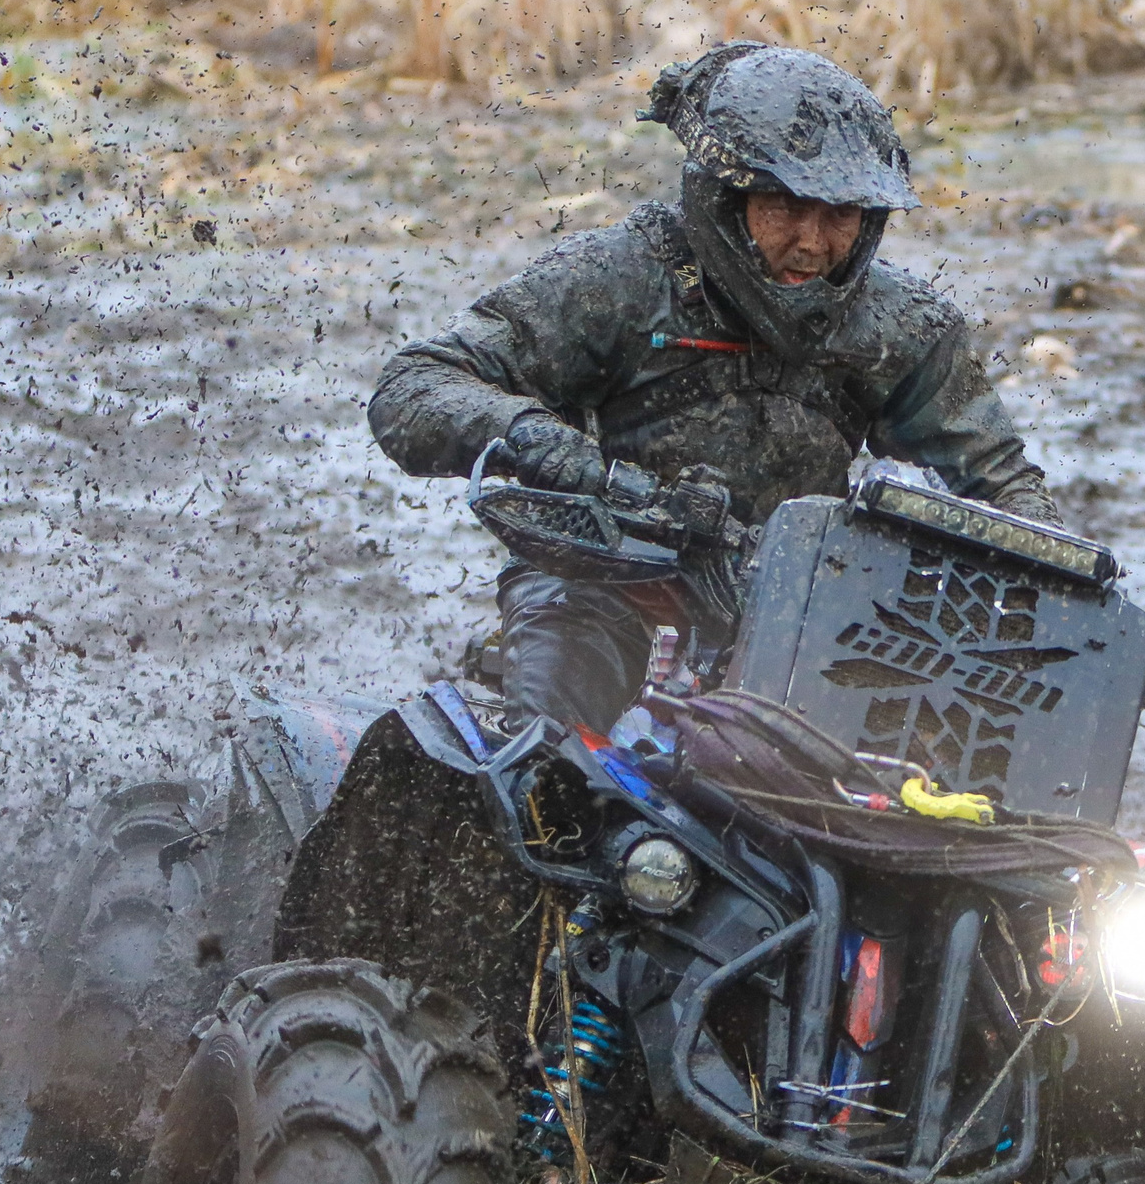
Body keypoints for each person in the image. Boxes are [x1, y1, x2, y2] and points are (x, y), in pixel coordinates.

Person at [368, 41, 1060, 733]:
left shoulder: (902, 327)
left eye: (840, 214)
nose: (813, 242)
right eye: (785, 206)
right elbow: (413, 385)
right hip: (602, 576)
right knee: (553, 764)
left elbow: (1003, 484)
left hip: (789, 606)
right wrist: (531, 437)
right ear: (725, 199)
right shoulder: (620, 280)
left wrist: (1060, 588)